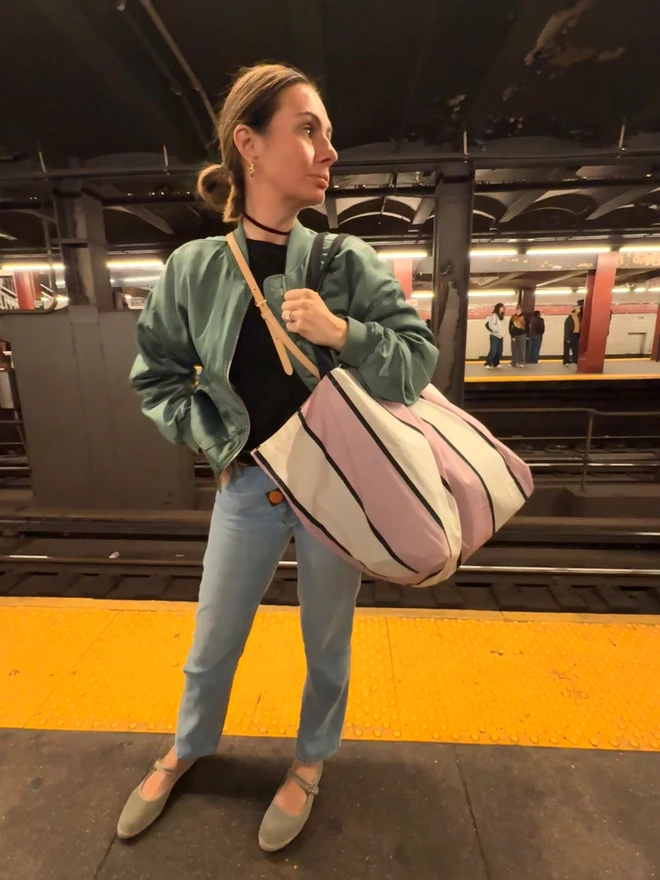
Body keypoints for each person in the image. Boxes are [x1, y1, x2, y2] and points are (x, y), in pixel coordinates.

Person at [118, 63, 437, 851]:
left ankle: (310, 761)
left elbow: (416, 363)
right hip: (249, 487)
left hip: (337, 490)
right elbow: (158, 375)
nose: (329, 150)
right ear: (249, 145)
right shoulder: (195, 268)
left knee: (327, 644)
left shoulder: (346, 260)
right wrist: (214, 442)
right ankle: (187, 747)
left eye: (327, 133)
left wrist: (342, 333)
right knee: (213, 640)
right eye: (308, 129)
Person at [484, 302, 505, 368]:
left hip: (500, 336)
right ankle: (488, 363)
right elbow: (491, 325)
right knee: (493, 350)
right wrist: (496, 330)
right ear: (498, 308)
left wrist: (503, 333)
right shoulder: (494, 316)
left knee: (499, 350)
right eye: (502, 307)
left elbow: (503, 326)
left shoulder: (502, 316)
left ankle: (496, 363)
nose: (503, 308)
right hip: (494, 335)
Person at [563, 300, 582, 366]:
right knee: (567, 349)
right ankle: (566, 362)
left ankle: (575, 360)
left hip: (576, 335)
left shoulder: (578, 318)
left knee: (576, 349)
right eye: (578, 309)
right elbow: (567, 329)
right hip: (570, 335)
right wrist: (567, 338)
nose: (579, 310)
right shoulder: (569, 319)